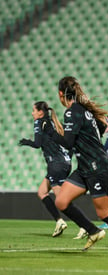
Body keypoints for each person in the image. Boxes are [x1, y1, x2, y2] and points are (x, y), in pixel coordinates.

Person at [44, 76, 108, 259]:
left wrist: (51, 134)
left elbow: (68, 142)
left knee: (103, 212)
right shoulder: (83, 111)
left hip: (97, 167)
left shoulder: (73, 112)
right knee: (61, 201)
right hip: (85, 167)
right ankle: (93, 231)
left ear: (61, 94)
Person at [19, 101, 71, 237]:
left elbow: (37, 144)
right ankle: (59, 221)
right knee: (42, 192)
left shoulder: (39, 122)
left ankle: (85, 226)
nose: (32, 113)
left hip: (56, 163)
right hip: (63, 162)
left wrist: (26, 142)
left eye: (34, 111)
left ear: (40, 113)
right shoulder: (53, 122)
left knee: (61, 200)